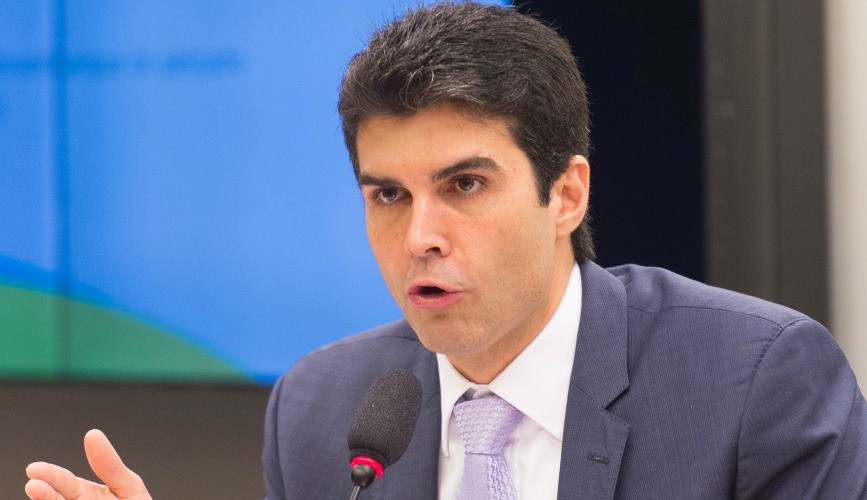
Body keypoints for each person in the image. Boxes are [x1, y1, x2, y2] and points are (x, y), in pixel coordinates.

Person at [25, 2, 867, 499]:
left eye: (464, 184)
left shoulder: (754, 383)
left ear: (565, 194)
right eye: (387, 195)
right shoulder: (319, 409)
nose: (418, 235)